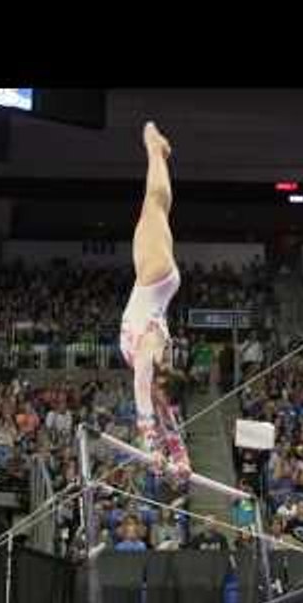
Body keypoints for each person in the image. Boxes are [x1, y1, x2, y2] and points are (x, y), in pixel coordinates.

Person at [118, 122, 192, 484]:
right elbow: (142, 397)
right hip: (154, 278)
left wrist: (181, 458)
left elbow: (165, 415)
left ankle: (157, 151)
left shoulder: (159, 373)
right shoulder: (149, 357)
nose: (162, 404)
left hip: (159, 283)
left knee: (158, 205)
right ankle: (151, 144)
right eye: (163, 397)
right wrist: (152, 447)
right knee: (154, 203)